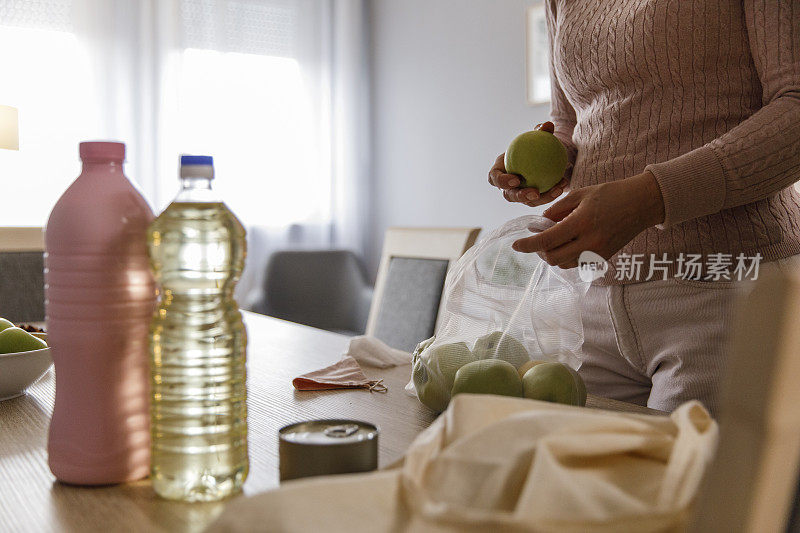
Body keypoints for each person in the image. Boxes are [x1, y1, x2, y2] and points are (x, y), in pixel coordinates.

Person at [488, 0, 800, 414]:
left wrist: (649, 198)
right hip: (595, 298)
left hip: (728, 289)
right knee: (575, 472)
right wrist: (552, 158)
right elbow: (571, 119)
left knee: (694, 479)